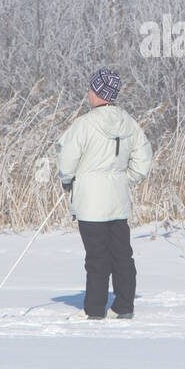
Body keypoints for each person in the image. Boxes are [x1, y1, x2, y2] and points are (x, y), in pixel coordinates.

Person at [57, 68, 153, 319]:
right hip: (118, 200)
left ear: (99, 93)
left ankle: (95, 309)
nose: (87, 93)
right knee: (122, 254)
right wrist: (123, 178)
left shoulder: (84, 124)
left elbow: (67, 160)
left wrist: (68, 181)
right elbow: (143, 161)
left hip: (90, 202)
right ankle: (124, 306)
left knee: (97, 256)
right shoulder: (129, 122)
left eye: (91, 88)